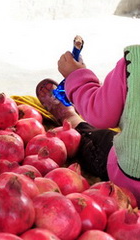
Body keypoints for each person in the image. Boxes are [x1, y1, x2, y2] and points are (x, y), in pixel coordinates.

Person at [36, 45, 140, 204]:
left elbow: (100, 115)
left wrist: (76, 75)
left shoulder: (134, 63)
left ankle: (71, 119)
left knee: (98, 138)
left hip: (128, 182)